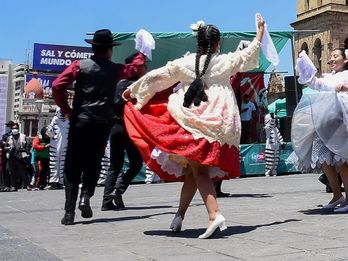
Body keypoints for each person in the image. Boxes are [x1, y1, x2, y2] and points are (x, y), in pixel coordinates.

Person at [123, 16, 266, 238]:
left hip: (192, 119)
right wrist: (259, 32)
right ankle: (179, 216)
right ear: (217, 44)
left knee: (198, 169)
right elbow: (247, 55)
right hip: (219, 122)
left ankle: (214, 214)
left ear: (197, 42)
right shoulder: (224, 62)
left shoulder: (186, 62)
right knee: (193, 170)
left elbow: (158, 77)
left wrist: (134, 90)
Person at [52, 29, 149, 225]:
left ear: (93, 47)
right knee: (94, 162)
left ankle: (69, 213)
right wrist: (142, 53)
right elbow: (134, 70)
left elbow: (56, 86)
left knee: (73, 165)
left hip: (80, 120)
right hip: (103, 122)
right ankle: (85, 196)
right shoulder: (115, 69)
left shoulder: (79, 66)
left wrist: (67, 109)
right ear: (110, 50)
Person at [290, 43, 348, 213]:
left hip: (341, 123)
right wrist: (303, 62)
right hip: (325, 123)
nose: (332, 59)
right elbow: (313, 82)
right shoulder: (328, 77)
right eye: (332, 57)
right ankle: (337, 195)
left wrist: (344, 87)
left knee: (342, 160)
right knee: (324, 160)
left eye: (336, 56)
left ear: (345, 59)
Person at [101, 54, 148, 211]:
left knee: (115, 165)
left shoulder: (117, 83)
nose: (146, 68)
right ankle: (117, 190)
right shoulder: (136, 85)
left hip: (115, 128)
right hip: (128, 128)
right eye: (144, 65)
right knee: (135, 164)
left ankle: (106, 201)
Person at [4, 122, 30, 191]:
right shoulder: (9, 138)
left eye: (16, 128)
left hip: (21, 155)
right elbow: (5, 147)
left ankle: (28, 185)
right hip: (12, 156)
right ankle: (14, 186)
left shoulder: (23, 136)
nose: (14, 129)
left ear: (18, 129)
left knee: (23, 171)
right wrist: (9, 148)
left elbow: (27, 145)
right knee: (12, 172)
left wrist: (26, 152)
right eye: (13, 128)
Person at [47, 108, 69, 190]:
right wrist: (50, 130)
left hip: (64, 145)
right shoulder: (55, 120)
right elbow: (50, 133)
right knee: (54, 163)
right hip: (55, 144)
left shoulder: (68, 121)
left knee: (62, 164)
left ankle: (60, 181)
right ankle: (54, 181)